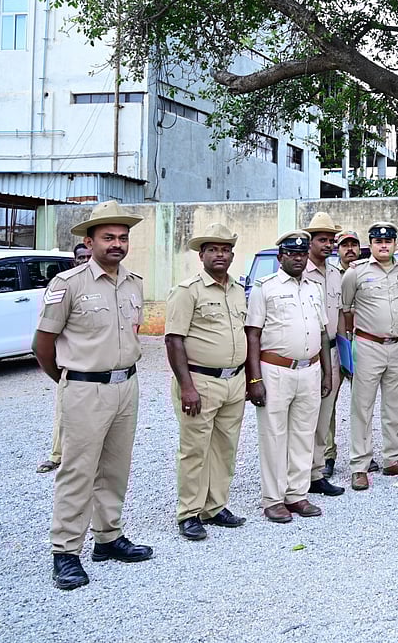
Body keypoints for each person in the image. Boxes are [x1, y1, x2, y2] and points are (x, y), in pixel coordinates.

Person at [33, 200, 151, 590]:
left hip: (125, 386)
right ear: (90, 241)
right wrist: (69, 380)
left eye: (122, 237)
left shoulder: (134, 283)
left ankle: (108, 538)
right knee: (77, 472)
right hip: (84, 388)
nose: (116, 244)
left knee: (115, 469)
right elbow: (43, 344)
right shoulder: (68, 284)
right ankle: (65, 553)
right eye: (108, 237)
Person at [164, 222, 249, 541]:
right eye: (213, 249)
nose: (220, 255)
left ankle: (215, 506)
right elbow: (173, 341)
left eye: (225, 249)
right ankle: (189, 512)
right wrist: (187, 386)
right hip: (200, 381)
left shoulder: (238, 290)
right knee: (195, 449)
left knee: (224, 448)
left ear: (232, 254)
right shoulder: (188, 291)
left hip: (233, 381)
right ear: (201, 255)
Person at [245, 230, 333, 523]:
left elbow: (322, 332)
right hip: (275, 370)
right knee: (273, 435)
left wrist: (326, 373)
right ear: (280, 256)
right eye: (292, 253)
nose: (298, 258)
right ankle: (273, 499)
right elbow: (253, 335)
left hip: (309, 369)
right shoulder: (264, 288)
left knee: (304, 434)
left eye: (302, 253)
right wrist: (254, 380)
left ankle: (297, 494)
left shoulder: (314, 288)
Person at [340, 221, 398, 489]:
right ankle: (359, 465)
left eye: (388, 241)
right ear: (370, 245)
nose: (384, 245)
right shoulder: (355, 273)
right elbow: (346, 309)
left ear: (396, 243)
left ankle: (392, 458)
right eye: (378, 241)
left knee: (394, 404)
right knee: (362, 407)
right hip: (368, 345)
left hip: (397, 345)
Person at [36, 243, 94, 474]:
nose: (85, 261)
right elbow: (44, 339)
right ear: (74, 260)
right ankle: (58, 455)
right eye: (81, 257)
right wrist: (58, 375)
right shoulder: (64, 284)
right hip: (74, 367)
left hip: (101, 366)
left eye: (89, 257)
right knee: (65, 414)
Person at [302, 212, 346, 498]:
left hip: (331, 353)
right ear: (309, 243)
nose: (328, 244)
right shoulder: (299, 272)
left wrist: (344, 355)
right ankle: (296, 475)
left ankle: (316, 472)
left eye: (331, 240)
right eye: (322, 240)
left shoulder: (335, 274)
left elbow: (339, 314)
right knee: (303, 417)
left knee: (324, 416)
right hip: (306, 355)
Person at [321, 229, 363, 479]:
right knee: (329, 403)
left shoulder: (367, 270)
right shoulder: (330, 275)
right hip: (338, 344)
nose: (349, 249)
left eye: (353, 244)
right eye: (344, 245)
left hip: (364, 343)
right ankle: (328, 455)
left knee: (362, 403)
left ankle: (362, 456)